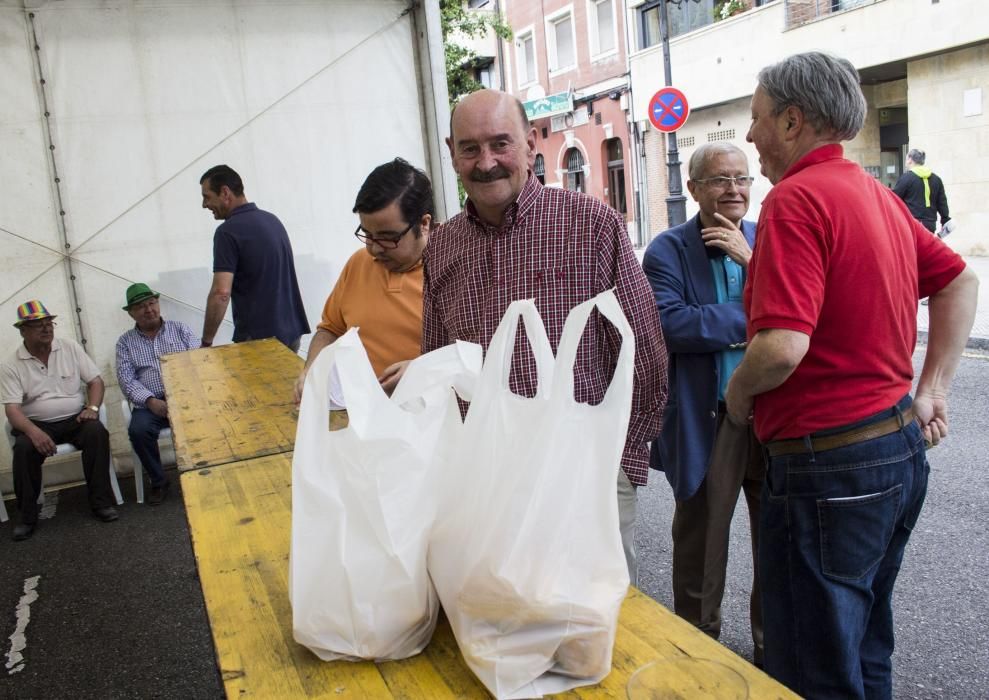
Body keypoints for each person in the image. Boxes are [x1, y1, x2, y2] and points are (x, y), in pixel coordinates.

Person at [726, 52, 977, 699]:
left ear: (790, 120)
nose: (749, 136)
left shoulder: (794, 200)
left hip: (826, 469)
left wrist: (736, 393)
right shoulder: (875, 194)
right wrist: (929, 391)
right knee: (863, 647)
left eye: (754, 120)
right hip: (892, 452)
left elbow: (780, 346)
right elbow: (959, 279)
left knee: (814, 668)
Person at [421, 88, 669, 584]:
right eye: (469, 148)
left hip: (584, 473)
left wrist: (619, 462)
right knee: (505, 618)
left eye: (500, 143)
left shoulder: (591, 225)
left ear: (531, 143)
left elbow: (643, 351)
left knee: (595, 626)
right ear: (451, 153)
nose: (486, 162)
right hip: (486, 481)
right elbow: (437, 360)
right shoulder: (443, 246)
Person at [642, 142, 764, 665]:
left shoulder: (767, 240)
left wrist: (752, 267)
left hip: (772, 418)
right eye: (719, 179)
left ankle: (772, 647)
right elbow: (671, 325)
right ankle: (695, 649)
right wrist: (756, 316)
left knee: (778, 546)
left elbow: (808, 311)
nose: (733, 189)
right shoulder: (667, 249)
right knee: (700, 547)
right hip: (708, 420)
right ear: (693, 189)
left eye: (741, 178)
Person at [293, 158, 433, 403]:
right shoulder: (358, 263)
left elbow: (473, 355)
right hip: (359, 416)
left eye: (388, 238)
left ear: (423, 224)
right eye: (367, 234)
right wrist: (311, 371)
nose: (374, 249)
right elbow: (330, 329)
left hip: (431, 420)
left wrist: (422, 370)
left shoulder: (454, 269)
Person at [2, 301, 120, 541]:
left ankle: (101, 503)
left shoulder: (69, 347)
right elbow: (12, 410)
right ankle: (27, 517)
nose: (46, 329)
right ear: (23, 330)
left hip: (74, 417)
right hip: (37, 423)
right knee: (24, 448)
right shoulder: (10, 364)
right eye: (38, 325)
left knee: (96, 432)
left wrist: (93, 407)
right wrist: (34, 432)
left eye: (49, 324)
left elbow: (95, 381)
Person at [199, 164, 310, 351]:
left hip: (261, 341)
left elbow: (221, 293)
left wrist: (206, 342)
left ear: (225, 192)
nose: (204, 205)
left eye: (207, 197)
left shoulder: (227, 232)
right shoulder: (272, 220)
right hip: (292, 333)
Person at [115, 283, 200, 504]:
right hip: (150, 403)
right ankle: (159, 481)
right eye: (141, 306)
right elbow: (126, 380)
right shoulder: (125, 342)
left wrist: (182, 395)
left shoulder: (180, 329)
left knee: (205, 421)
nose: (149, 309)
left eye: (152, 303)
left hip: (184, 397)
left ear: (158, 304)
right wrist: (150, 401)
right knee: (139, 430)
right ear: (131, 313)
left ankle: (200, 474)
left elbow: (198, 363)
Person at [893, 148, 952, 235]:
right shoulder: (936, 179)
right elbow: (942, 203)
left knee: (914, 248)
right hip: (930, 224)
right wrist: (945, 219)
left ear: (910, 159)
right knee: (927, 248)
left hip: (912, 224)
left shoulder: (906, 178)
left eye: (906, 159)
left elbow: (894, 199)